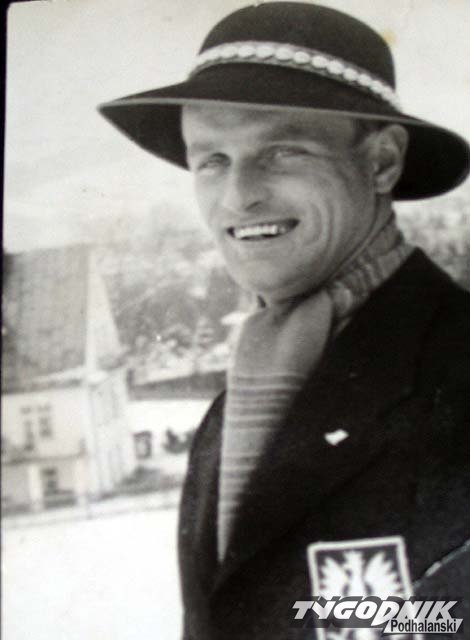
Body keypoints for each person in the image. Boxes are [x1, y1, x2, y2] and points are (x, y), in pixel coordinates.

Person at [99, 3, 470, 638]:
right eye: (211, 160)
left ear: (382, 162)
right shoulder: (227, 418)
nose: (238, 196)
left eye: (282, 151)